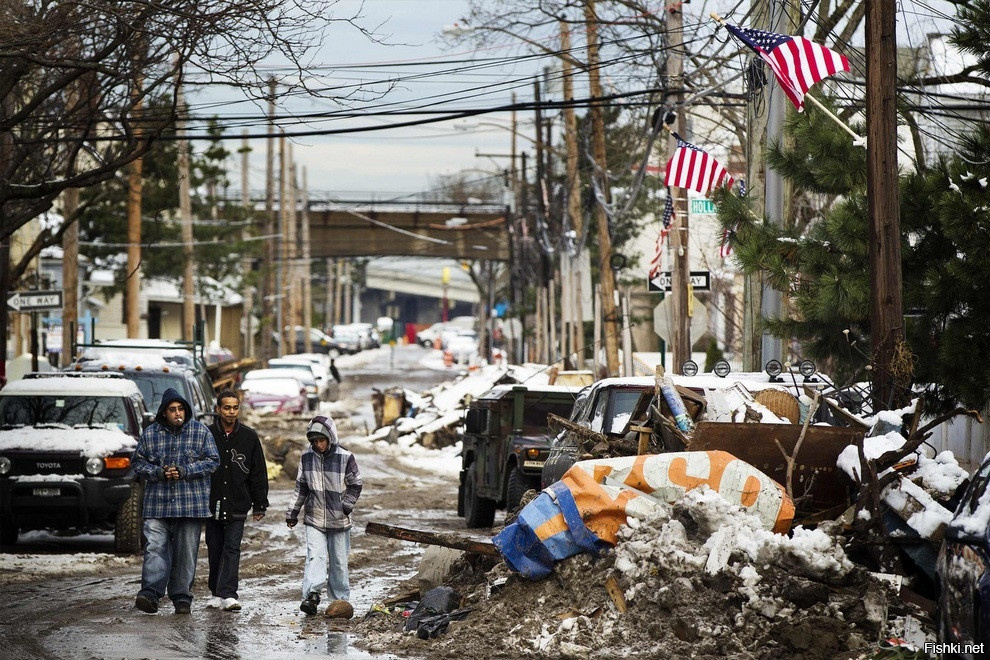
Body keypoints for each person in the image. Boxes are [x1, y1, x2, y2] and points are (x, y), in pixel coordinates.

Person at [132, 387, 219, 614]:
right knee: (155, 549)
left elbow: (212, 461)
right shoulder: (150, 434)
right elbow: (138, 463)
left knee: (186, 553)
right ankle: (150, 595)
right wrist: (159, 472)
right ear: (164, 413)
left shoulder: (200, 432)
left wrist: (185, 470)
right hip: (157, 505)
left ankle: (181, 598)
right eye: (172, 410)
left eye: (181, 409)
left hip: (190, 506)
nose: (177, 413)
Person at [286, 415, 362, 615]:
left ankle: (339, 601)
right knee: (316, 556)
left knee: (338, 561)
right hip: (315, 518)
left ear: (331, 437)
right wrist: (292, 512)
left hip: (340, 520)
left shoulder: (345, 457)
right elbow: (301, 488)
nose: (318, 445)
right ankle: (311, 596)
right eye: (314, 441)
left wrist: (345, 506)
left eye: (322, 440)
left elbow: (355, 485)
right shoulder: (306, 458)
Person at [205, 390, 269, 612]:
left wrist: (260, 503)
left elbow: (258, 472)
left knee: (232, 547)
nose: (231, 412)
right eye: (226, 408)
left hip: (238, 502)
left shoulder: (249, 437)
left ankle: (229, 593)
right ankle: (215, 592)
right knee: (214, 547)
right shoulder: (207, 434)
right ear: (218, 409)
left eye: (235, 408)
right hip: (212, 502)